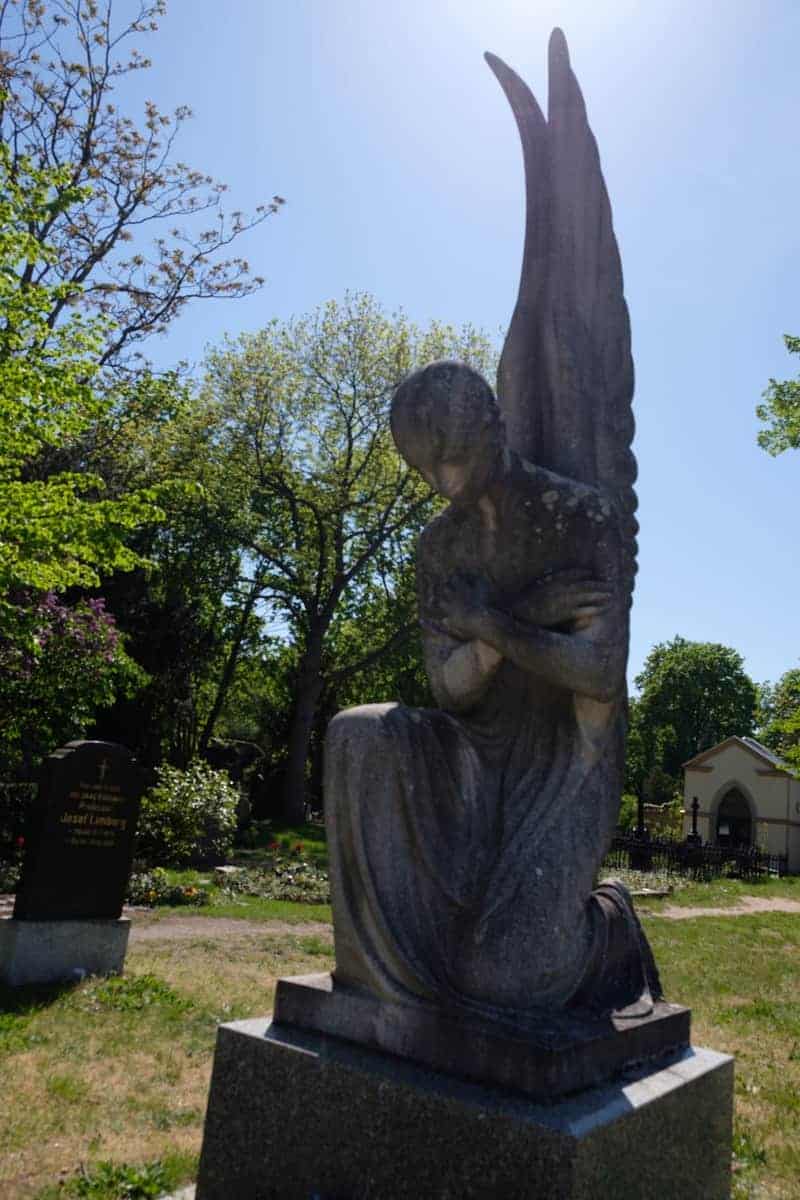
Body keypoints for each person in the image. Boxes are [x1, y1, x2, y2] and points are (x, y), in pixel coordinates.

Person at [325, 361, 660, 1025]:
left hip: (567, 758)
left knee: (511, 977)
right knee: (356, 732)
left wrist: (489, 622)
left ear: (493, 425)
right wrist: (513, 627)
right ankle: (390, 986)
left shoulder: (579, 517)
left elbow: (597, 674)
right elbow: (450, 690)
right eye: (422, 468)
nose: (440, 483)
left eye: (451, 458)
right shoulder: (439, 546)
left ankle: (610, 924)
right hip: (471, 755)